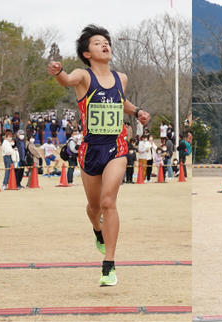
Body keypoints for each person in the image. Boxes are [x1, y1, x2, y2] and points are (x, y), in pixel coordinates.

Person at [48, 24, 150, 287]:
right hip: (90, 149)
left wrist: (136, 111)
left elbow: (119, 101)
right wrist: (58, 73)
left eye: (106, 41)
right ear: (86, 53)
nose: (105, 45)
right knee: (94, 208)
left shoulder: (122, 78)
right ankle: (97, 230)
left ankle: (109, 266)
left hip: (116, 147)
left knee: (108, 202)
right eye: (97, 42)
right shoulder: (83, 76)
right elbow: (67, 80)